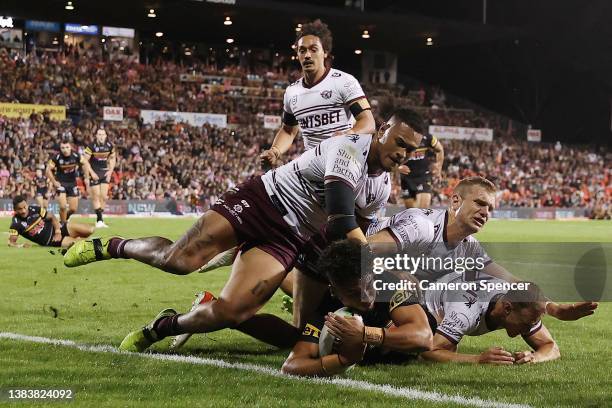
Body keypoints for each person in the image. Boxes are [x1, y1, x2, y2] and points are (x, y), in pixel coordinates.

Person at [64, 109, 422, 353]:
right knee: (178, 261)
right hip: (262, 201)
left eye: (412, 150)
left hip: (291, 236)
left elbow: (356, 234)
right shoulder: (349, 148)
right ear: (382, 132)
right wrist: (370, 264)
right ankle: (113, 245)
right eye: (400, 142)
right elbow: (342, 217)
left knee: (233, 311)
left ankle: (162, 327)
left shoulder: (379, 187)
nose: (404, 154)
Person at [281, 240, 434, 377]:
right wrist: (342, 361)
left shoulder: (390, 285)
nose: (367, 297)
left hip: (425, 334)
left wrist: (364, 334)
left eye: (369, 285)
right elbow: (291, 366)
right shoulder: (328, 308)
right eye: (354, 293)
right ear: (335, 291)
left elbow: (424, 338)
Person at [259, 19, 375, 169]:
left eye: (313, 49)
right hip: (312, 166)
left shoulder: (344, 81)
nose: (307, 55)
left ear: (325, 52)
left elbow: (368, 122)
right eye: (302, 50)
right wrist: (275, 151)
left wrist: (348, 134)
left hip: (344, 161)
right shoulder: (291, 92)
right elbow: (288, 130)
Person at [420, 273, 560, 365]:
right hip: (425, 302)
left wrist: (535, 357)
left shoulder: (520, 305)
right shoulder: (465, 312)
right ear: (507, 309)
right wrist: (477, 359)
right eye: (526, 324)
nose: (529, 330)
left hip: (455, 285)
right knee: (420, 345)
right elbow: (429, 351)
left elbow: (551, 347)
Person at [8, 195, 94, 249]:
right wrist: (21, 246)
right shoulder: (16, 224)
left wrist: (58, 231)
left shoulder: (34, 209)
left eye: (24, 207)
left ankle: (79, 237)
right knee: (83, 244)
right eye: (20, 209)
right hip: (52, 241)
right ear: (15, 210)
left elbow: (52, 217)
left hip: (59, 228)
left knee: (90, 230)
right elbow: (11, 242)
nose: (23, 211)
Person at [46, 139, 94, 224]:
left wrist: (86, 177)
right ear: (60, 148)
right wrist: (54, 182)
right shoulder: (56, 157)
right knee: (63, 206)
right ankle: (63, 225)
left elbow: (85, 164)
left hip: (72, 183)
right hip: (61, 183)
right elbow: (48, 170)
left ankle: (63, 220)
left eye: (67, 147)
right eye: (63, 148)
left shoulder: (76, 155)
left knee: (73, 209)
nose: (65, 149)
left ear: (70, 147)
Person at [399, 132, 444, 208]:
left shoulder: (428, 137)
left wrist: (439, 168)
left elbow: (440, 149)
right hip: (406, 178)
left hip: (423, 176)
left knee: (422, 209)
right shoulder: (401, 137)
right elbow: (389, 154)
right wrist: (398, 168)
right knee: (411, 212)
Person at [83, 128, 115, 228]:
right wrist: (91, 173)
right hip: (95, 172)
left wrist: (110, 172)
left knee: (104, 197)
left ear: (106, 136)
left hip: (104, 172)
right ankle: (99, 220)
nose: (101, 136)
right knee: (96, 196)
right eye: (99, 134)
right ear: (96, 136)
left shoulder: (110, 145)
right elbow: (85, 161)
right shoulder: (91, 146)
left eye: (103, 134)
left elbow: (113, 159)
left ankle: (100, 219)